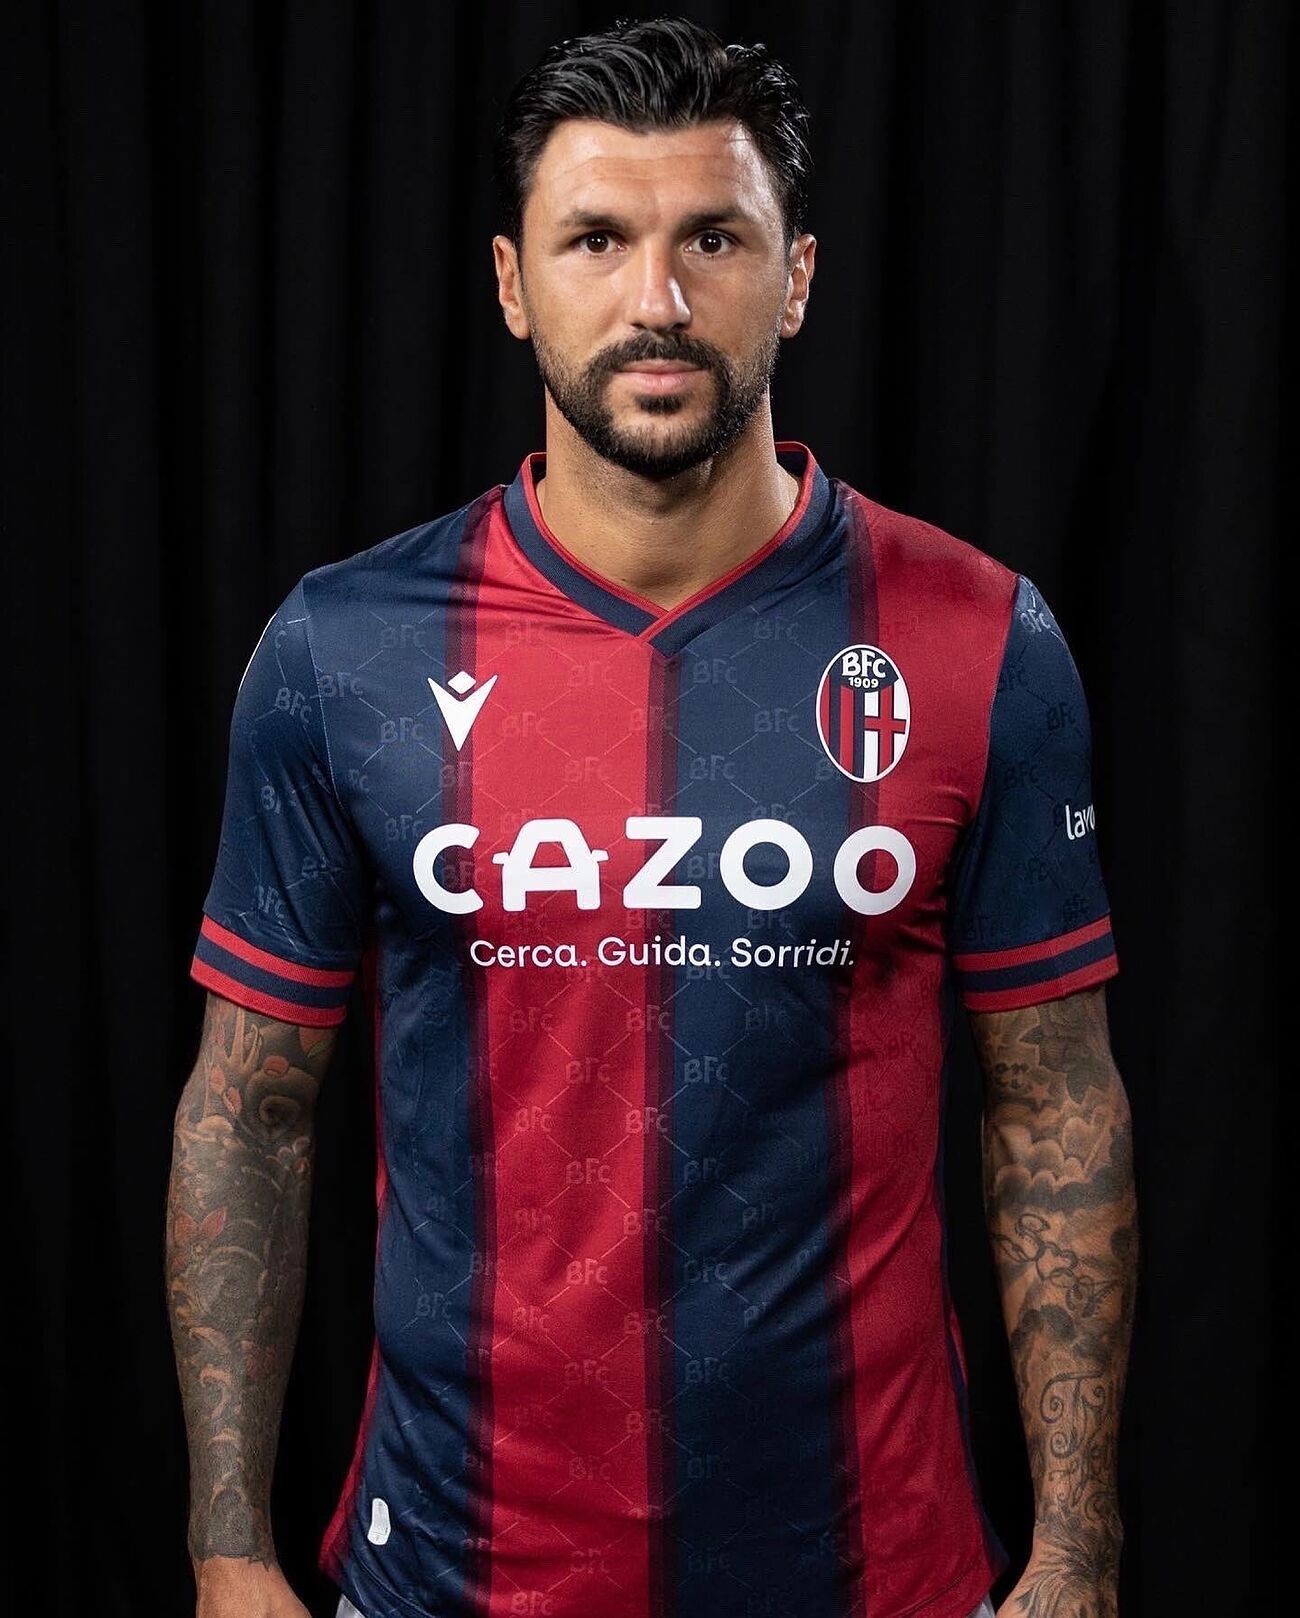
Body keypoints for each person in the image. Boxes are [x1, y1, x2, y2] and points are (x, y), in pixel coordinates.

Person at [165, 17, 1137, 1618]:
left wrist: (1079, 1554)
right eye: (597, 240)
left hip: (876, 1573)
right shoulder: (344, 652)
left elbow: (1055, 1108)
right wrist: (228, 1547)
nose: (658, 301)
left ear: (798, 275)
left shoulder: (977, 638)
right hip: (453, 1574)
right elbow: (248, 1109)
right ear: (510, 282)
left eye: (714, 239)